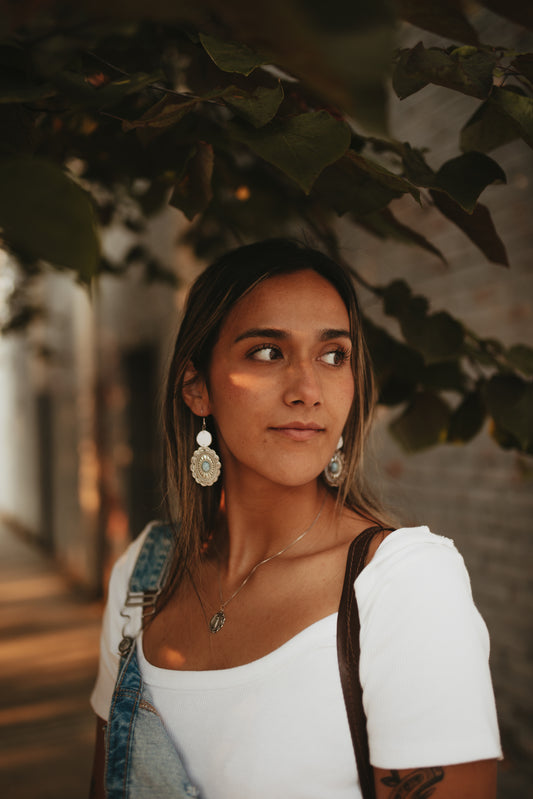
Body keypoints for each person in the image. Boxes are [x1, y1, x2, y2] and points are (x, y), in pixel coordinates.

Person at [89, 238, 502, 798]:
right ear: (197, 387)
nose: (308, 391)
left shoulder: (403, 584)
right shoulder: (144, 576)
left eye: (334, 356)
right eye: (267, 351)